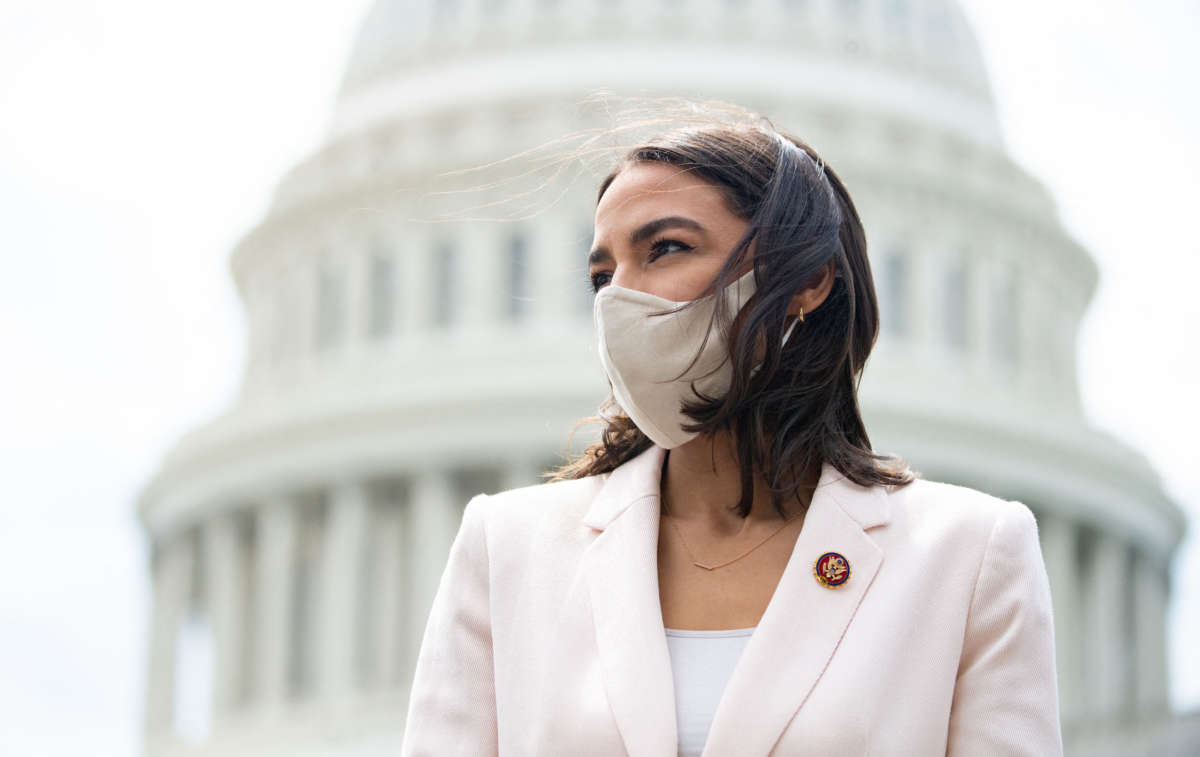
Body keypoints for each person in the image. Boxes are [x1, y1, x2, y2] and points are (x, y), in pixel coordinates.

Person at [400, 109, 1063, 756]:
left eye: (666, 249)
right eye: (603, 275)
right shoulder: (508, 549)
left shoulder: (967, 555)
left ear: (807, 281)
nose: (619, 299)